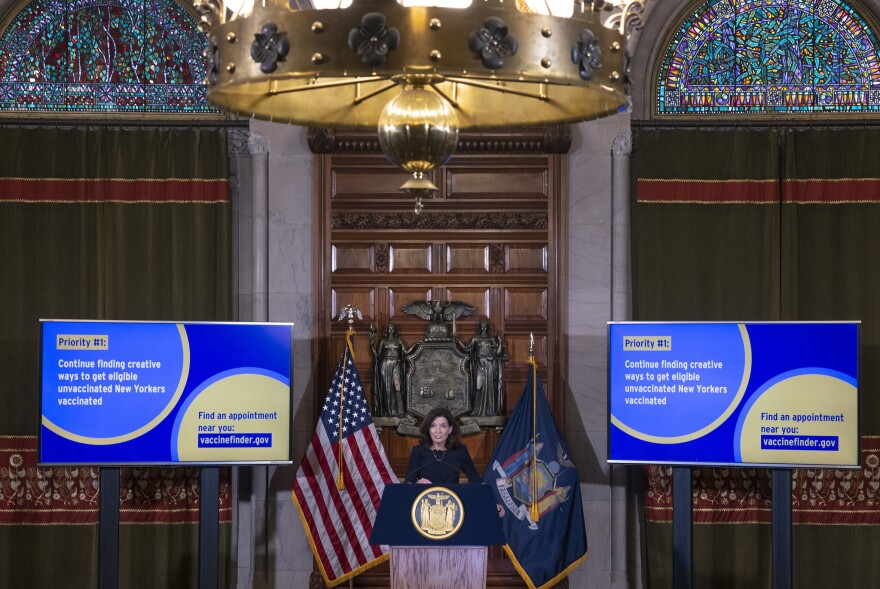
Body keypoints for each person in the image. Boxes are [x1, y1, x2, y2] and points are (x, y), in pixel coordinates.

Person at [404, 406, 481, 484]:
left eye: (443, 426)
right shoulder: (418, 451)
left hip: (453, 495)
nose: (438, 431)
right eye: (433, 425)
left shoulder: (460, 451)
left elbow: (475, 479)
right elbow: (408, 483)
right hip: (426, 495)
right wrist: (417, 485)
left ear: (450, 429)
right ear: (428, 429)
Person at [469, 319, 509, 416]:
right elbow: (468, 352)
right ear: (480, 327)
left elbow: (498, 353)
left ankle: (491, 410)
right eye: (482, 326)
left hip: (490, 365)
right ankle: (476, 409)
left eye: (486, 326)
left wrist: (499, 342)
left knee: (490, 387)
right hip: (479, 365)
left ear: (488, 328)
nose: (484, 328)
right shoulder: (475, 339)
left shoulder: (491, 339)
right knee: (478, 386)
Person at [369, 322, 406, 417]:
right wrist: (372, 344)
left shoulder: (399, 341)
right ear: (387, 330)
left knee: (397, 387)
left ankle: (398, 411)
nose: (391, 330)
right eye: (389, 328)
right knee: (386, 388)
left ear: (395, 330)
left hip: (396, 365)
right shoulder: (383, 341)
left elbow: (405, 352)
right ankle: (387, 411)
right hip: (385, 366)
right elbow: (378, 354)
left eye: (392, 328)